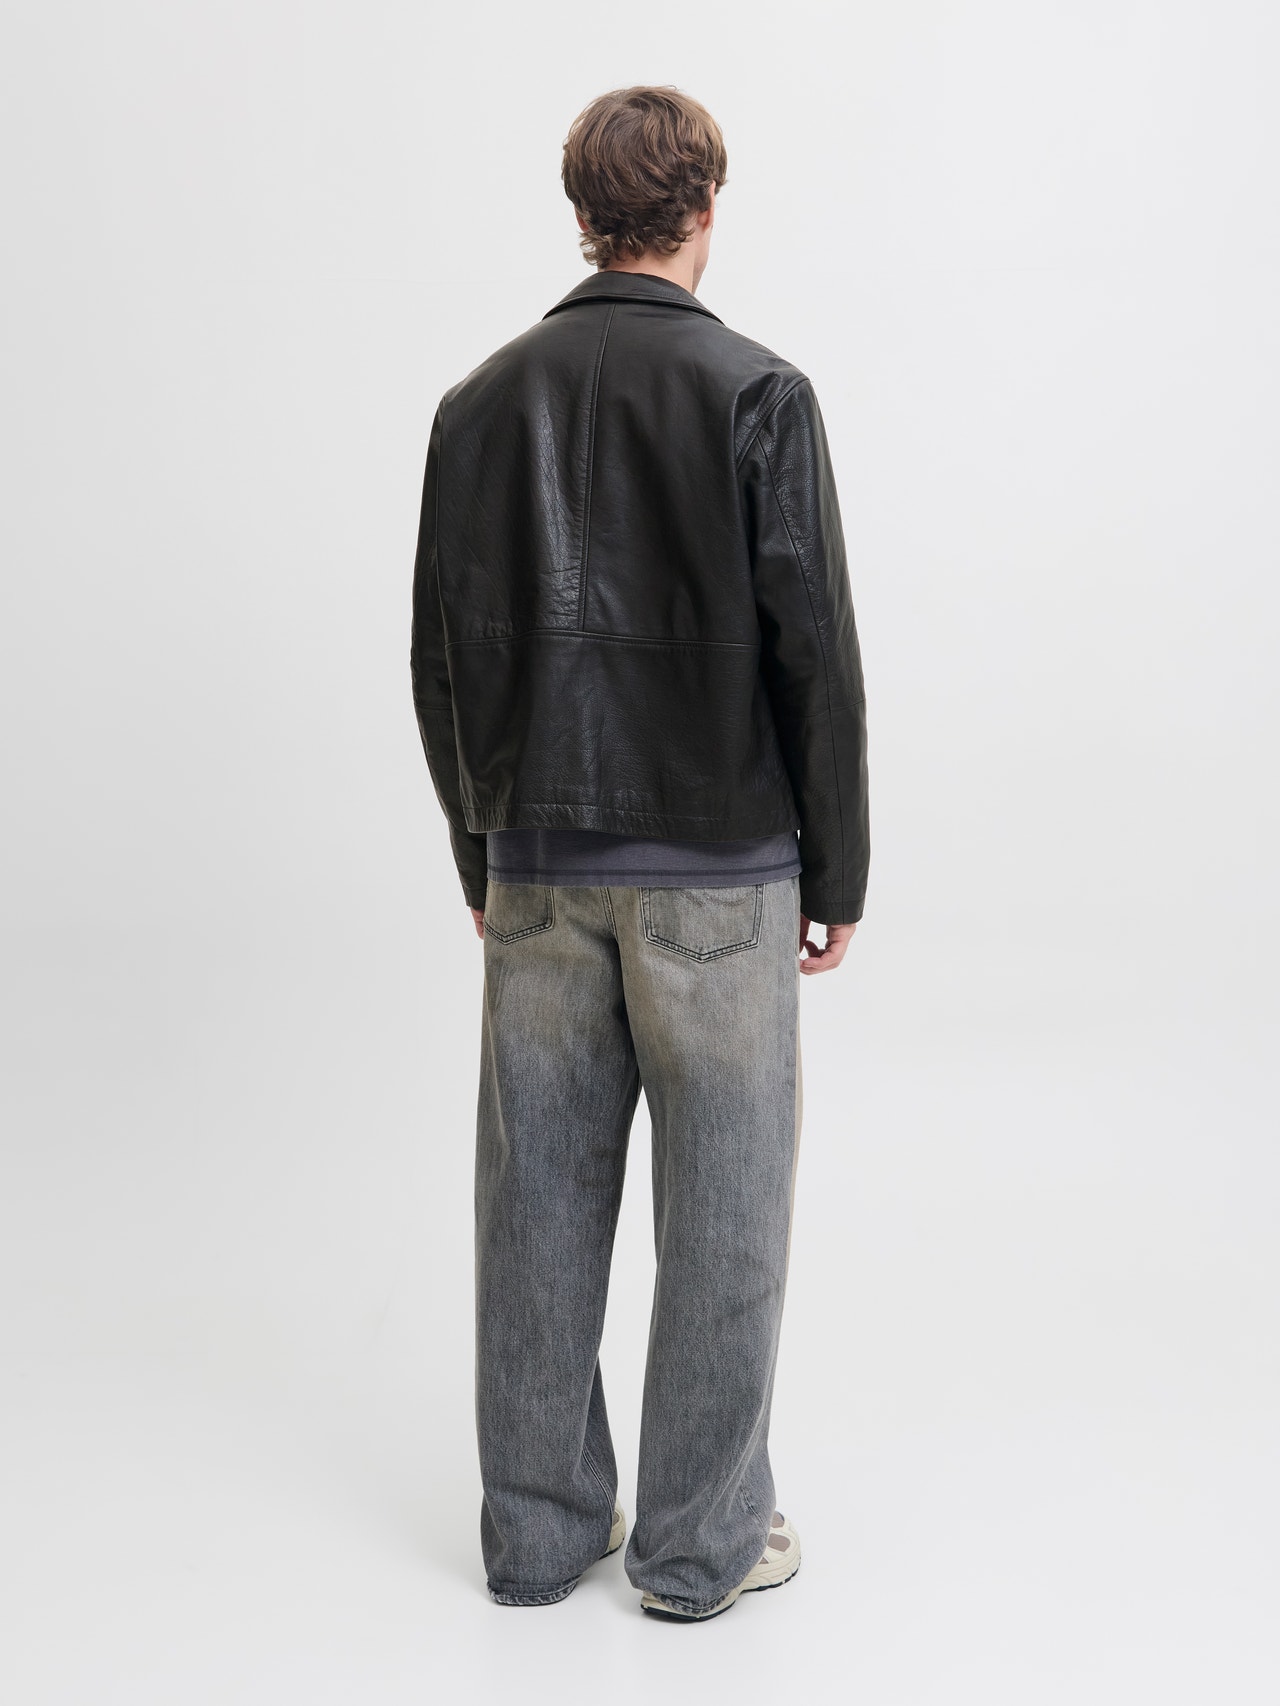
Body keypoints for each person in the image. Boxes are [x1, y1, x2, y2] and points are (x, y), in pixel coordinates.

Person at [409, 84, 870, 1622]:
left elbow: (439, 659)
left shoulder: (478, 404)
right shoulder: (759, 394)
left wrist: (483, 854)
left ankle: (540, 1534)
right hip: (720, 873)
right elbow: (815, 655)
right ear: (705, 210)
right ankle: (697, 1546)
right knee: (725, 1213)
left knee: (534, 1202)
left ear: (580, 214)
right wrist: (837, 871)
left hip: (538, 856)